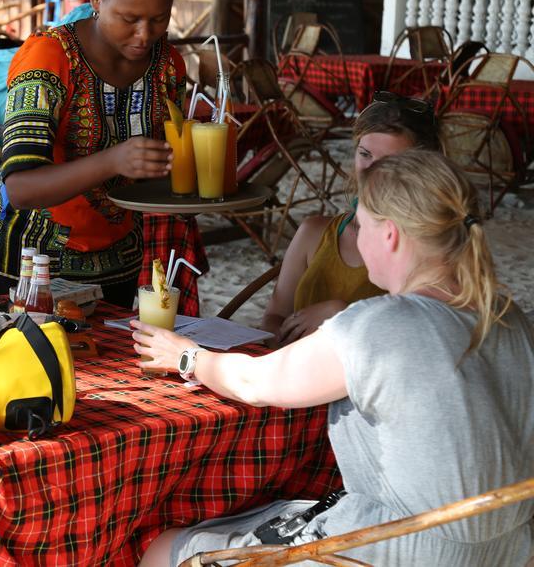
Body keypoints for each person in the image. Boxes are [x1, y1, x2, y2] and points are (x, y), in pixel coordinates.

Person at [134, 149, 534, 566]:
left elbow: (255, 383)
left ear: (390, 234)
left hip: (395, 549)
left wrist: (188, 357)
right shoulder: (511, 319)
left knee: (165, 548)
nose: (356, 238)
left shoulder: (381, 323)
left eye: (360, 226)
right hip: (511, 549)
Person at [0, 0, 191, 307]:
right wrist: (113, 160)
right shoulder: (49, 57)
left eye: (159, 18)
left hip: (120, 261)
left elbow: (163, 172)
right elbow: (21, 188)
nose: (145, 34)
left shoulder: (168, 65)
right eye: (129, 18)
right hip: (33, 268)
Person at [261, 91, 441, 346]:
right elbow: (273, 318)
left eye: (389, 161)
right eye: (365, 154)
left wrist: (343, 315)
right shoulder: (315, 232)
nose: (370, 171)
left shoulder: (425, 249)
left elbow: (415, 342)